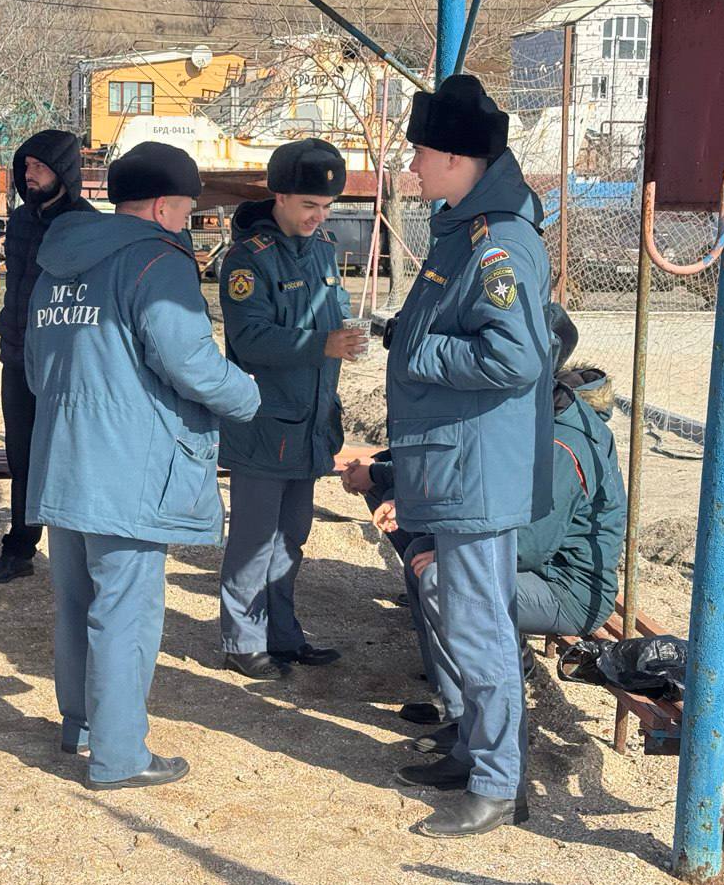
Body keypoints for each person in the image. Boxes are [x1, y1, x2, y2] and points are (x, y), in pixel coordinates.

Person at [24, 142, 260, 790]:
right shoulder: (157, 260)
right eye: (185, 210)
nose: (187, 222)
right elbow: (189, 363)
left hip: (62, 459)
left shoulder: (56, 264)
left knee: (77, 602)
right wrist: (247, 395)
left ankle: (80, 725)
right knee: (126, 611)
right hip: (127, 466)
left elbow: (35, 367)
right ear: (162, 207)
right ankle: (120, 755)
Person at [382, 74, 553, 838]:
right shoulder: (464, 229)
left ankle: (496, 783)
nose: (412, 166)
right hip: (458, 461)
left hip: (476, 469)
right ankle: (473, 749)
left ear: (455, 158)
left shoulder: (498, 242)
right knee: (468, 618)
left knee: (480, 626)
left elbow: (515, 357)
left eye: (420, 153)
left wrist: (419, 352)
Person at [343, 307, 626, 756]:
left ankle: (471, 720)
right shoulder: (528, 414)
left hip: (565, 587)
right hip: (532, 566)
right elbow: (464, 470)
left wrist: (450, 551)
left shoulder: (560, 441)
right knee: (421, 553)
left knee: (443, 579)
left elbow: (531, 545)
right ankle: (453, 698)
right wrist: (391, 485)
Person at [216, 138, 365, 680]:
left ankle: (282, 634)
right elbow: (250, 338)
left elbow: (335, 310)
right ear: (279, 197)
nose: (318, 216)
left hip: (310, 424)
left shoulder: (322, 249)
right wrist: (323, 344)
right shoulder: (248, 259)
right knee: (253, 540)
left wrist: (345, 335)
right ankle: (241, 640)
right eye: (308, 205)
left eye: (325, 207)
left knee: (291, 539)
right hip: (265, 425)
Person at [0, 130, 97, 586]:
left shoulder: (86, 224)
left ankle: (82, 551)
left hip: (65, 366)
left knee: (72, 458)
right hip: (17, 359)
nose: (29, 175)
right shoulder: (22, 219)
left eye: (39, 167)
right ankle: (20, 549)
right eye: (26, 166)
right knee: (22, 458)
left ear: (63, 171)